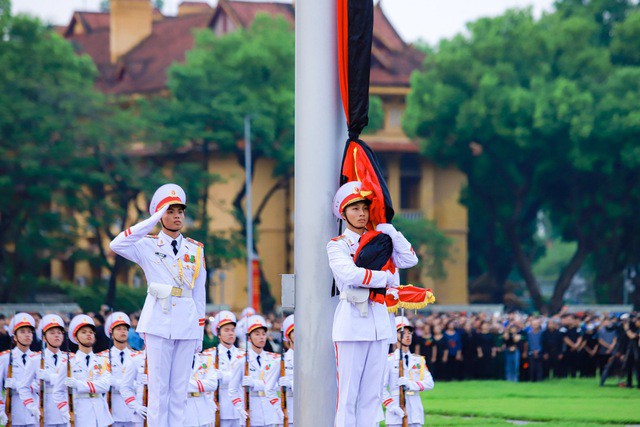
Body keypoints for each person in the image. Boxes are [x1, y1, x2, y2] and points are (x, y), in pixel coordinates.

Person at [109, 183, 207, 427]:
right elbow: (116, 245)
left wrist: (200, 331)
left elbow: (199, 292)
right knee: (158, 390)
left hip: (186, 322)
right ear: (160, 215)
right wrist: (150, 220)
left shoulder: (195, 249)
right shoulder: (147, 244)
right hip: (158, 322)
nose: (177, 217)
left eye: (180, 212)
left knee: (179, 390)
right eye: (170, 211)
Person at [328, 181, 418, 427]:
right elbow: (350, 275)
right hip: (352, 323)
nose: (361, 214)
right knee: (347, 396)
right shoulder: (338, 244)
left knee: (372, 394)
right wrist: (386, 278)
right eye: (355, 208)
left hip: (379, 323)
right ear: (343, 213)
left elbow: (410, 258)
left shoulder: (380, 241)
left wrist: (390, 231)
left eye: (365, 209)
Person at [52, 314, 114, 427]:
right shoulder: (68, 364)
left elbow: (105, 385)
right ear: (76, 337)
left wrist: (79, 384)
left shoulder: (102, 361)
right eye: (84, 332)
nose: (88, 335)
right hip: (79, 413)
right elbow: (57, 392)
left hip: (100, 415)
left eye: (91, 332)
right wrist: (65, 411)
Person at [229, 315, 282, 426]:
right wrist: (240, 408)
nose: (261, 337)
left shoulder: (275, 360)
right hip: (252, 411)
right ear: (249, 338)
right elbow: (232, 389)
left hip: (271, 411)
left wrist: (254, 383)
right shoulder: (241, 361)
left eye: (263, 334)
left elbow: (276, 385)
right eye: (257, 334)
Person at [17, 313, 69, 427]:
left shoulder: (70, 358)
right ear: (44, 338)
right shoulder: (35, 360)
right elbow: (23, 387)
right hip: (45, 410)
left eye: (59, 333)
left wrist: (50, 377)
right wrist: (31, 407)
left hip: (66, 411)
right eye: (52, 333)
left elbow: (72, 383)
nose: (57, 336)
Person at [382, 316, 434, 427]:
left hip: (415, 413)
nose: (407, 335)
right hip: (395, 414)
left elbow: (430, 383)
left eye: (409, 332)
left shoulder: (418, 360)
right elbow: (380, 388)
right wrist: (392, 407)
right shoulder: (388, 360)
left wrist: (410, 384)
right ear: (394, 336)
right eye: (403, 332)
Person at [100, 312, 144, 427]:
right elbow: (105, 381)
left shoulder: (137, 356)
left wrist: (120, 383)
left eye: (125, 329)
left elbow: (142, 381)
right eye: (118, 329)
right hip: (113, 409)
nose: (123, 331)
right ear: (111, 334)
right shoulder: (103, 357)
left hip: (134, 408)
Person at [203, 310, 243, 427]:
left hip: (238, 407)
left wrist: (224, 376)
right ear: (218, 334)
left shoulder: (244, 355)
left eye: (233, 330)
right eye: (226, 330)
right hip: (219, 406)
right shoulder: (208, 355)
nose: (231, 333)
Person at [0, 312, 40, 426]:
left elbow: (40, 385)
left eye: (29, 332)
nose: (27, 335)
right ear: (15, 337)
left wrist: (18, 385)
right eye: (22, 332)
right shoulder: (5, 358)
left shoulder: (38, 358)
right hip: (14, 410)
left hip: (33, 411)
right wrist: (1, 410)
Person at [184, 351, 218, 427]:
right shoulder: (175, 359)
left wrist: (186, 384)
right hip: (184, 409)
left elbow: (212, 384)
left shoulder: (206, 359)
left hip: (203, 409)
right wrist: (202, 384)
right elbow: (175, 384)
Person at [279, 314, 294, 426]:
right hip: (289, 412)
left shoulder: (310, 359)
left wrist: (292, 384)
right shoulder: (282, 360)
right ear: (288, 336)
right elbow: (270, 388)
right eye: (294, 332)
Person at [526, 318, 544, 382]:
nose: (535, 326)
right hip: (531, 352)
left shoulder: (542, 333)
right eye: (533, 324)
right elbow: (529, 343)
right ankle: (532, 379)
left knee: (539, 366)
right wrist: (533, 351)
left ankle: (539, 379)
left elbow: (542, 343)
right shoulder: (529, 334)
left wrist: (538, 350)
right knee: (531, 366)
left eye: (536, 324)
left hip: (540, 352)